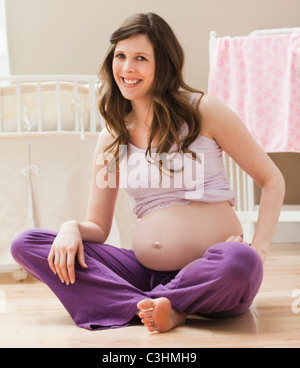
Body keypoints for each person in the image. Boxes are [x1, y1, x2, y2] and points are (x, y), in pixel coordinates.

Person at [11, 13, 285, 333]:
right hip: (145, 270)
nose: (127, 68)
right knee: (26, 243)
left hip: (212, 272)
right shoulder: (112, 137)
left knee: (241, 262)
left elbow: (272, 179)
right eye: (120, 56)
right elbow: (98, 227)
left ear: (163, 65)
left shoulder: (203, 111)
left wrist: (260, 249)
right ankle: (164, 306)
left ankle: (141, 303)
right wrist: (71, 227)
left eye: (140, 58)